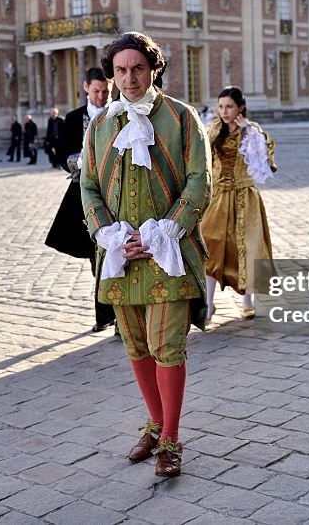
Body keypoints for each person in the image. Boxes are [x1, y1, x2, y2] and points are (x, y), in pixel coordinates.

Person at [80, 31, 210, 478]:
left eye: (137, 68)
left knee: (167, 347)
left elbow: (198, 180)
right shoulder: (100, 126)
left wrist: (167, 230)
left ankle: (171, 440)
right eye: (120, 70)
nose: (129, 78)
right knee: (136, 346)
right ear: (110, 75)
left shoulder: (181, 117)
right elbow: (89, 187)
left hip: (166, 252)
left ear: (154, 69)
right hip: (120, 255)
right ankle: (154, 425)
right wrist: (109, 235)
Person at [44, 68, 116, 333]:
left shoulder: (119, 112)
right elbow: (63, 156)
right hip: (83, 193)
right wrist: (80, 162)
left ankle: (117, 314)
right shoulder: (74, 118)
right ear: (86, 87)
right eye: (96, 91)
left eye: (105, 92)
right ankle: (105, 313)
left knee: (114, 252)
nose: (100, 97)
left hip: (115, 192)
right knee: (95, 254)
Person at [202, 86, 276, 321]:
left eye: (229, 106)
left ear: (240, 107)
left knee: (250, 247)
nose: (224, 111)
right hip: (219, 197)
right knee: (211, 245)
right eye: (221, 106)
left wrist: (248, 131)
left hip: (246, 196)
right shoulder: (213, 129)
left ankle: (247, 300)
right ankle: (209, 303)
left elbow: (264, 160)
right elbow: (202, 159)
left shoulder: (252, 132)